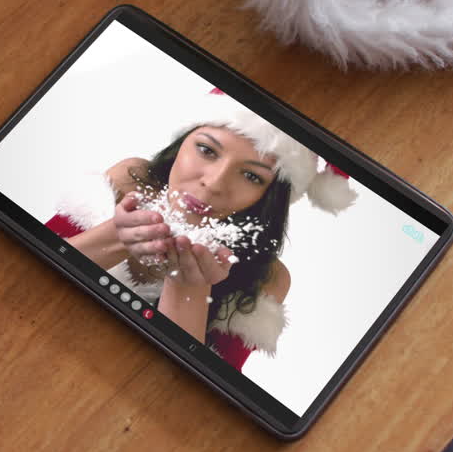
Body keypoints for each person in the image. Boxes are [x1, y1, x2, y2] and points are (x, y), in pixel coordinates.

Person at [45, 90, 355, 370]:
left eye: (251, 176)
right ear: (183, 143)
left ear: (268, 197)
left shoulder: (268, 278)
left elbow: (185, 392)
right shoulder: (130, 181)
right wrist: (116, 237)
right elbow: (29, 265)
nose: (214, 182)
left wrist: (189, 290)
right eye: (207, 150)